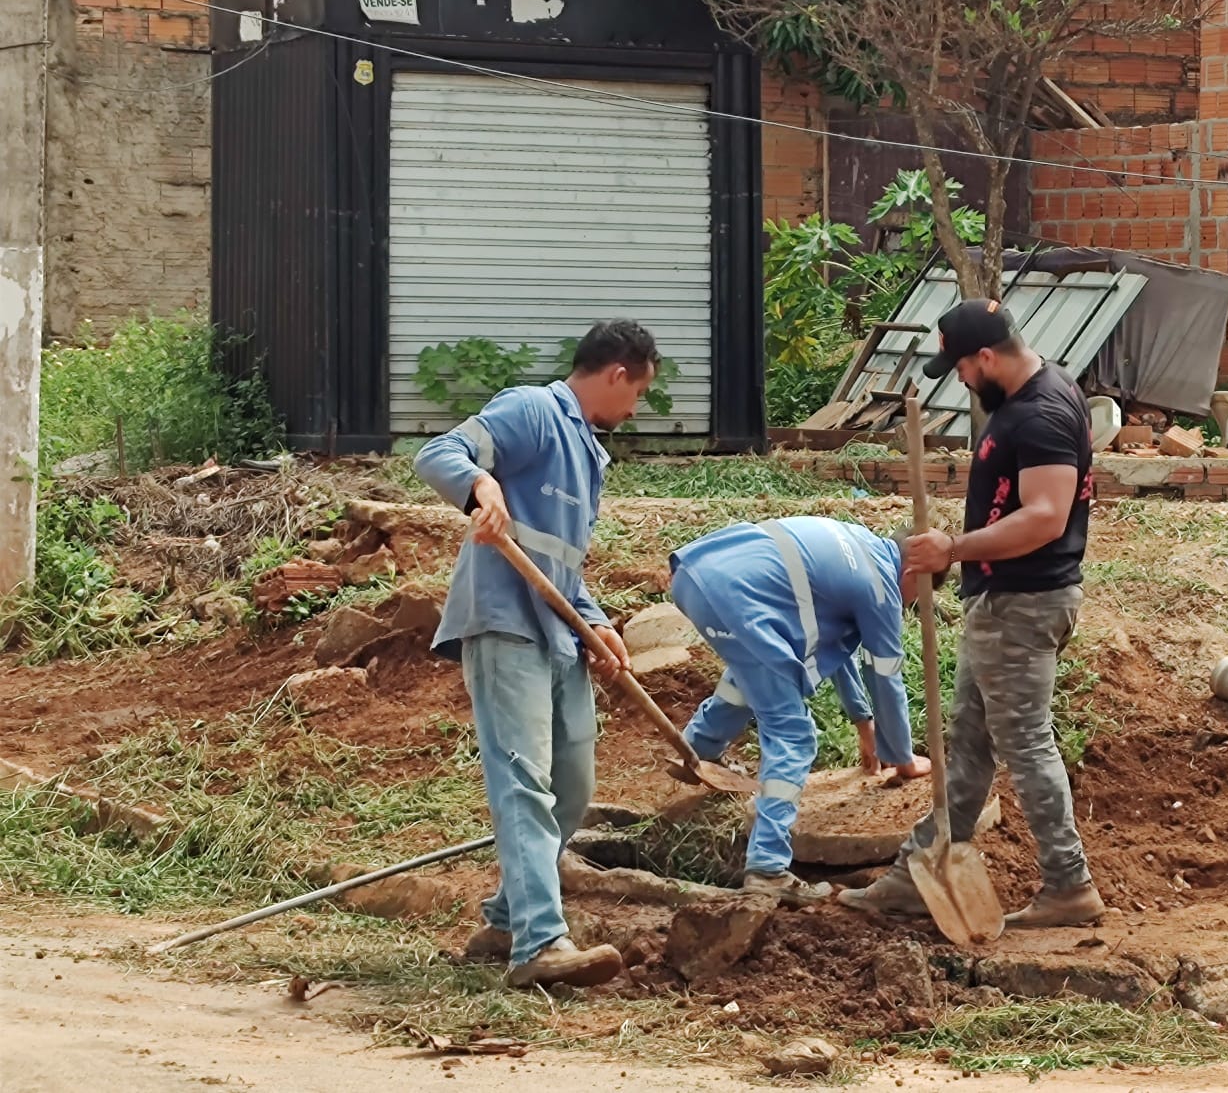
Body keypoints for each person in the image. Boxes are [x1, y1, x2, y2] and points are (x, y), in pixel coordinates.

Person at [839, 298, 1107, 927]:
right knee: (971, 745)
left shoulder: (1040, 413)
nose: (958, 379)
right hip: (1005, 600)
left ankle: (1069, 883)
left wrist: (953, 548)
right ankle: (920, 870)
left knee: (1024, 742)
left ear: (986, 357)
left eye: (960, 366)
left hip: (1024, 603)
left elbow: (1045, 517)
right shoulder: (1031, 395)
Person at [414, 320, 659, 987]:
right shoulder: (534, 411)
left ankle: (503, 918)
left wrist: (598, 624)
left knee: (572, 789)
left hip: (557, 631)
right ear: (618, 374)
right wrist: (481, 489)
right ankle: (540, 944)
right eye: (638, 393)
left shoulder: (590, 454)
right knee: (523, 780)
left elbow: (564, 569)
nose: (634, 410)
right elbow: (439, 453)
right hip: (503, 625)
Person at [667, 517, 937, 905]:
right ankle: (767, 868)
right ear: (914, 573)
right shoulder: (881, 588)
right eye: (916, 598)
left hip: (697, 575)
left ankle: (695, 751)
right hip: (738, 596)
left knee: (755, 673)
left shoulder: (857, 545)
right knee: (792, 733)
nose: (908, 606)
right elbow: (885, 676)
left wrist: (864, 723)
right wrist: (901, 757)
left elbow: (838, 649)